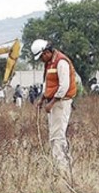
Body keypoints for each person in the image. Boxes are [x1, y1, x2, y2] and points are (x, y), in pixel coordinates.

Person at [31, 39, 78, 174]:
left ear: (46, 52)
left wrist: (51, 103)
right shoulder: (49, 63)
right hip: (53, 102)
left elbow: (64, 86)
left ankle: (62, 169)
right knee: (55, 135)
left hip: (60, 103)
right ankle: (62, 166)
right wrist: (43, 99)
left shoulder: (61, 62)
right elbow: (48, 84)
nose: (41, 60)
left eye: (41, 57)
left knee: (57, 136)